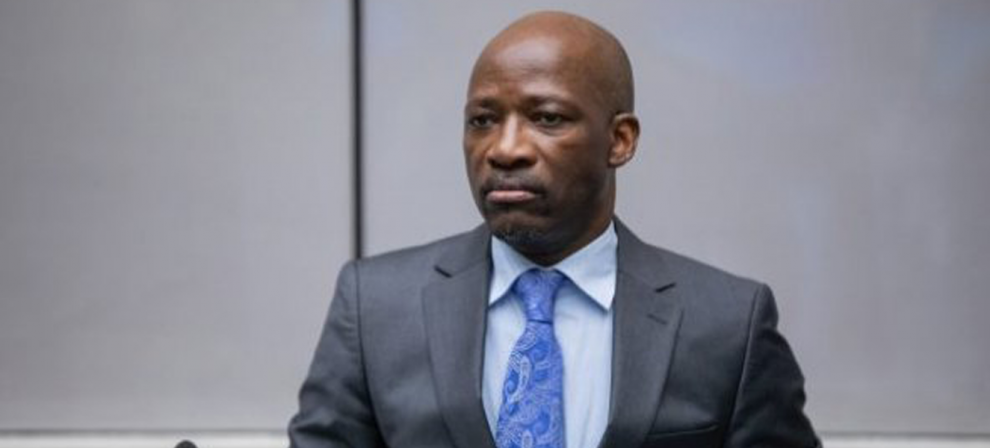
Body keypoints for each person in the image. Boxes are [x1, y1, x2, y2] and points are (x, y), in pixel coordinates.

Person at [288, 11, 820, 448]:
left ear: (620, 140)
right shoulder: (376, 307)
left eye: (546, 118)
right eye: (482, 120)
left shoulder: (728, 324)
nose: (504, 149)